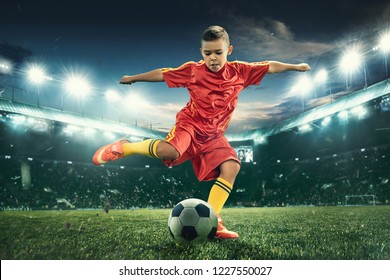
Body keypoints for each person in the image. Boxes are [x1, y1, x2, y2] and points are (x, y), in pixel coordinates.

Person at [93, 25, 310, 239]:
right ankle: (124, 147)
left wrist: (296, 67)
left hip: (214, 135)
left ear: (229, 50)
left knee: (232, 167)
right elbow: (163, 74)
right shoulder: (193, 71)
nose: (213, 58)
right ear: (201, 53)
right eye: (208, 53)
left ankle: (213, 220)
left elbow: (269, 66)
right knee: (170, 152)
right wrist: (134, 77)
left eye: (218, 52)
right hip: (191, 124)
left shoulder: (241, 72)